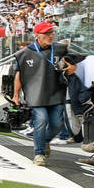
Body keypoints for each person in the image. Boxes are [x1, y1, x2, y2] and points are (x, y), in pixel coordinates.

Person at [11, 21, 66, 166]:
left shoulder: (60, 49)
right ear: (37, 35)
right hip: (36, 95)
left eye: (52, 32)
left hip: (56, 93)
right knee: (41, 120)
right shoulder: (25, 53)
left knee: (57, 124)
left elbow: (71, 62)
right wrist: (16, 94)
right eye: (47, 33)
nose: (51, 35)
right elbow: (19, 74)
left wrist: (72, 66)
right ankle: (39, 153)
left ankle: (45, 140)